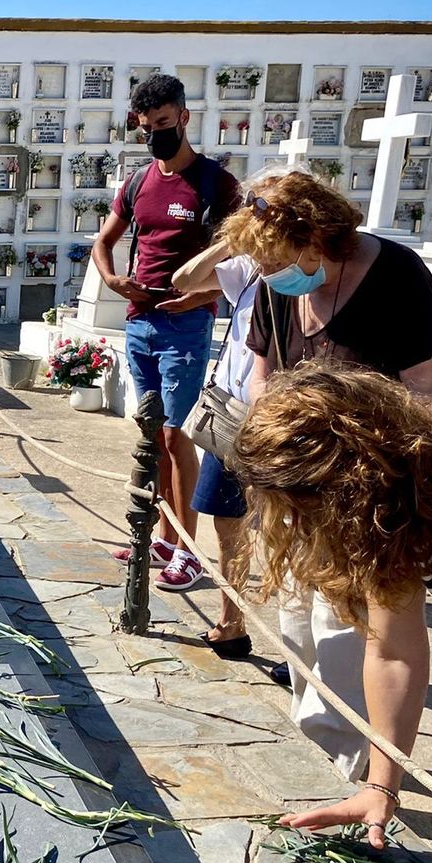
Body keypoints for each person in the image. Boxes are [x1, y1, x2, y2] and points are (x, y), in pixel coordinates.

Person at [234, 365, 432, 863]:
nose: (294, 522)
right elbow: (394, 651)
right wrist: (380, 789)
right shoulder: (393, 509)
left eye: (301, 503)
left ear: (348, 479)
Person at [222, 168, 432, 777]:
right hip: (295, 484)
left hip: (367, 489)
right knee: (297, 620)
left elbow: (430, 397)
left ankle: (359, 771)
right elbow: (262, 374)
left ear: (322, 235)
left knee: (348, 631)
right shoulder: (277, 280)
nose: (271, 276)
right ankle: (325, 740)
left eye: (279, 260)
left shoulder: (397, 278)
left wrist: (368, 464)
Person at [95, 73, 241, 592]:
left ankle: (188, 550)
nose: (154, 133)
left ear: (184, 116)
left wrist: (202, 297)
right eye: (145, 126)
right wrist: (114, 280)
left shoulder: (216, 185)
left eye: (162, 123)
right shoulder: (138, 182)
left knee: (179, 436)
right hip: (140, 323)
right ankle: (162, 535)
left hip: (186, 325)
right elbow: (104, 240)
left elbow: (241, 262)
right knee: (153, 432)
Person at [167, 232, 261, 660]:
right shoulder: (247, 270)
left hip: (279, 416)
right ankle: (232, 623)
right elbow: (185, 279)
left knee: (289, 529)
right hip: (230, 414)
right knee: (229, 525)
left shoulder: (314, 277)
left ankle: (306, 652)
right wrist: (232, 240)